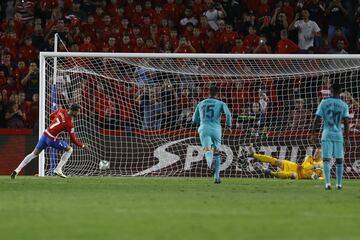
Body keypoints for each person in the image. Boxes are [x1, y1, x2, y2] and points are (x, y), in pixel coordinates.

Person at [11, 104, 89, 179]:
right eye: (78, 111)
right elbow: (73, 140)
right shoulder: (69, 124)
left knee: (33, 154)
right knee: (69, 149)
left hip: (45, 135)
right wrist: (83, 146)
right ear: (73, 111)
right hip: (52, 140)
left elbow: (51, 116)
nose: (78, 113)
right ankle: (58, 169)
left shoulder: (61, 111)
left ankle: (17, 170)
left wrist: (58, 126)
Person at [311, 83, 350, 190]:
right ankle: (339, 184)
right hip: (338, 134)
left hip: (326, 133)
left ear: (330, 90)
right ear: (340, 91)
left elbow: (317, 119)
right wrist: (347, 138)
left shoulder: (324, 102)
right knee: (339, 160)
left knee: (326, 160)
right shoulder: (344, 105)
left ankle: (327, 183)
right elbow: (346, 122)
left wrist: (313, 134)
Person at [192, 83, 232, 184]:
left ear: (208, 92)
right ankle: (217, 177)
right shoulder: (221, 103)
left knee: (207, 150)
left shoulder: (200, 103)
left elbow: (194, 119)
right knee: (216, 153)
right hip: (216, 129)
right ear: (217, 93)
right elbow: (228, 114)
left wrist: (199, 121)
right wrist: (228, 125)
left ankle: (210, 164)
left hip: (204, 128)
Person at [247, 146, 323, 180]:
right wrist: (314, 168)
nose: (315, 154)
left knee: (293, 174)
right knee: (277, 161)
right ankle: (253, 154)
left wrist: (317, 178)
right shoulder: (309, 157)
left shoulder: (322, 164)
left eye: (317, 153)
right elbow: (305, 167)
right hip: (296, 167)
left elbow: (324, 178)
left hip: (299, 176)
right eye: (315, 152)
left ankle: (270, 172)